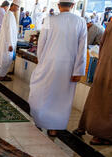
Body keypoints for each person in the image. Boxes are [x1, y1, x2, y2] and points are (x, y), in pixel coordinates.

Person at [28, 0, 87, 137]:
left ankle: (40, 121)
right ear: (72, 6)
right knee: (61, 98)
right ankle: (53, 128)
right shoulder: (81, 21)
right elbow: (82, 49)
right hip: (68, 66)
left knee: (43, 92)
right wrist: (78, 70)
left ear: (59, 6)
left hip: (49, 62)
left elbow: (41, 42)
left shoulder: (49, 19)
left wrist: (41, 61)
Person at [73, 19, 112, 145]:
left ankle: (82, 127)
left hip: (103, 67)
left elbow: (101, 46)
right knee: (110, 105)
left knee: (96, 100)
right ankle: (100, 136)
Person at [0, 0, 20, 81]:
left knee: (7, 59)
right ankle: (2, 76)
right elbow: (9, 30)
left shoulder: (10, 14)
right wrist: (10, 44)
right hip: (8, 43)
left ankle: (3, 74)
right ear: (13, 5)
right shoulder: (9, 15)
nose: (18, 8)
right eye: (17, 6)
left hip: (8, 42)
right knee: (6, 59)